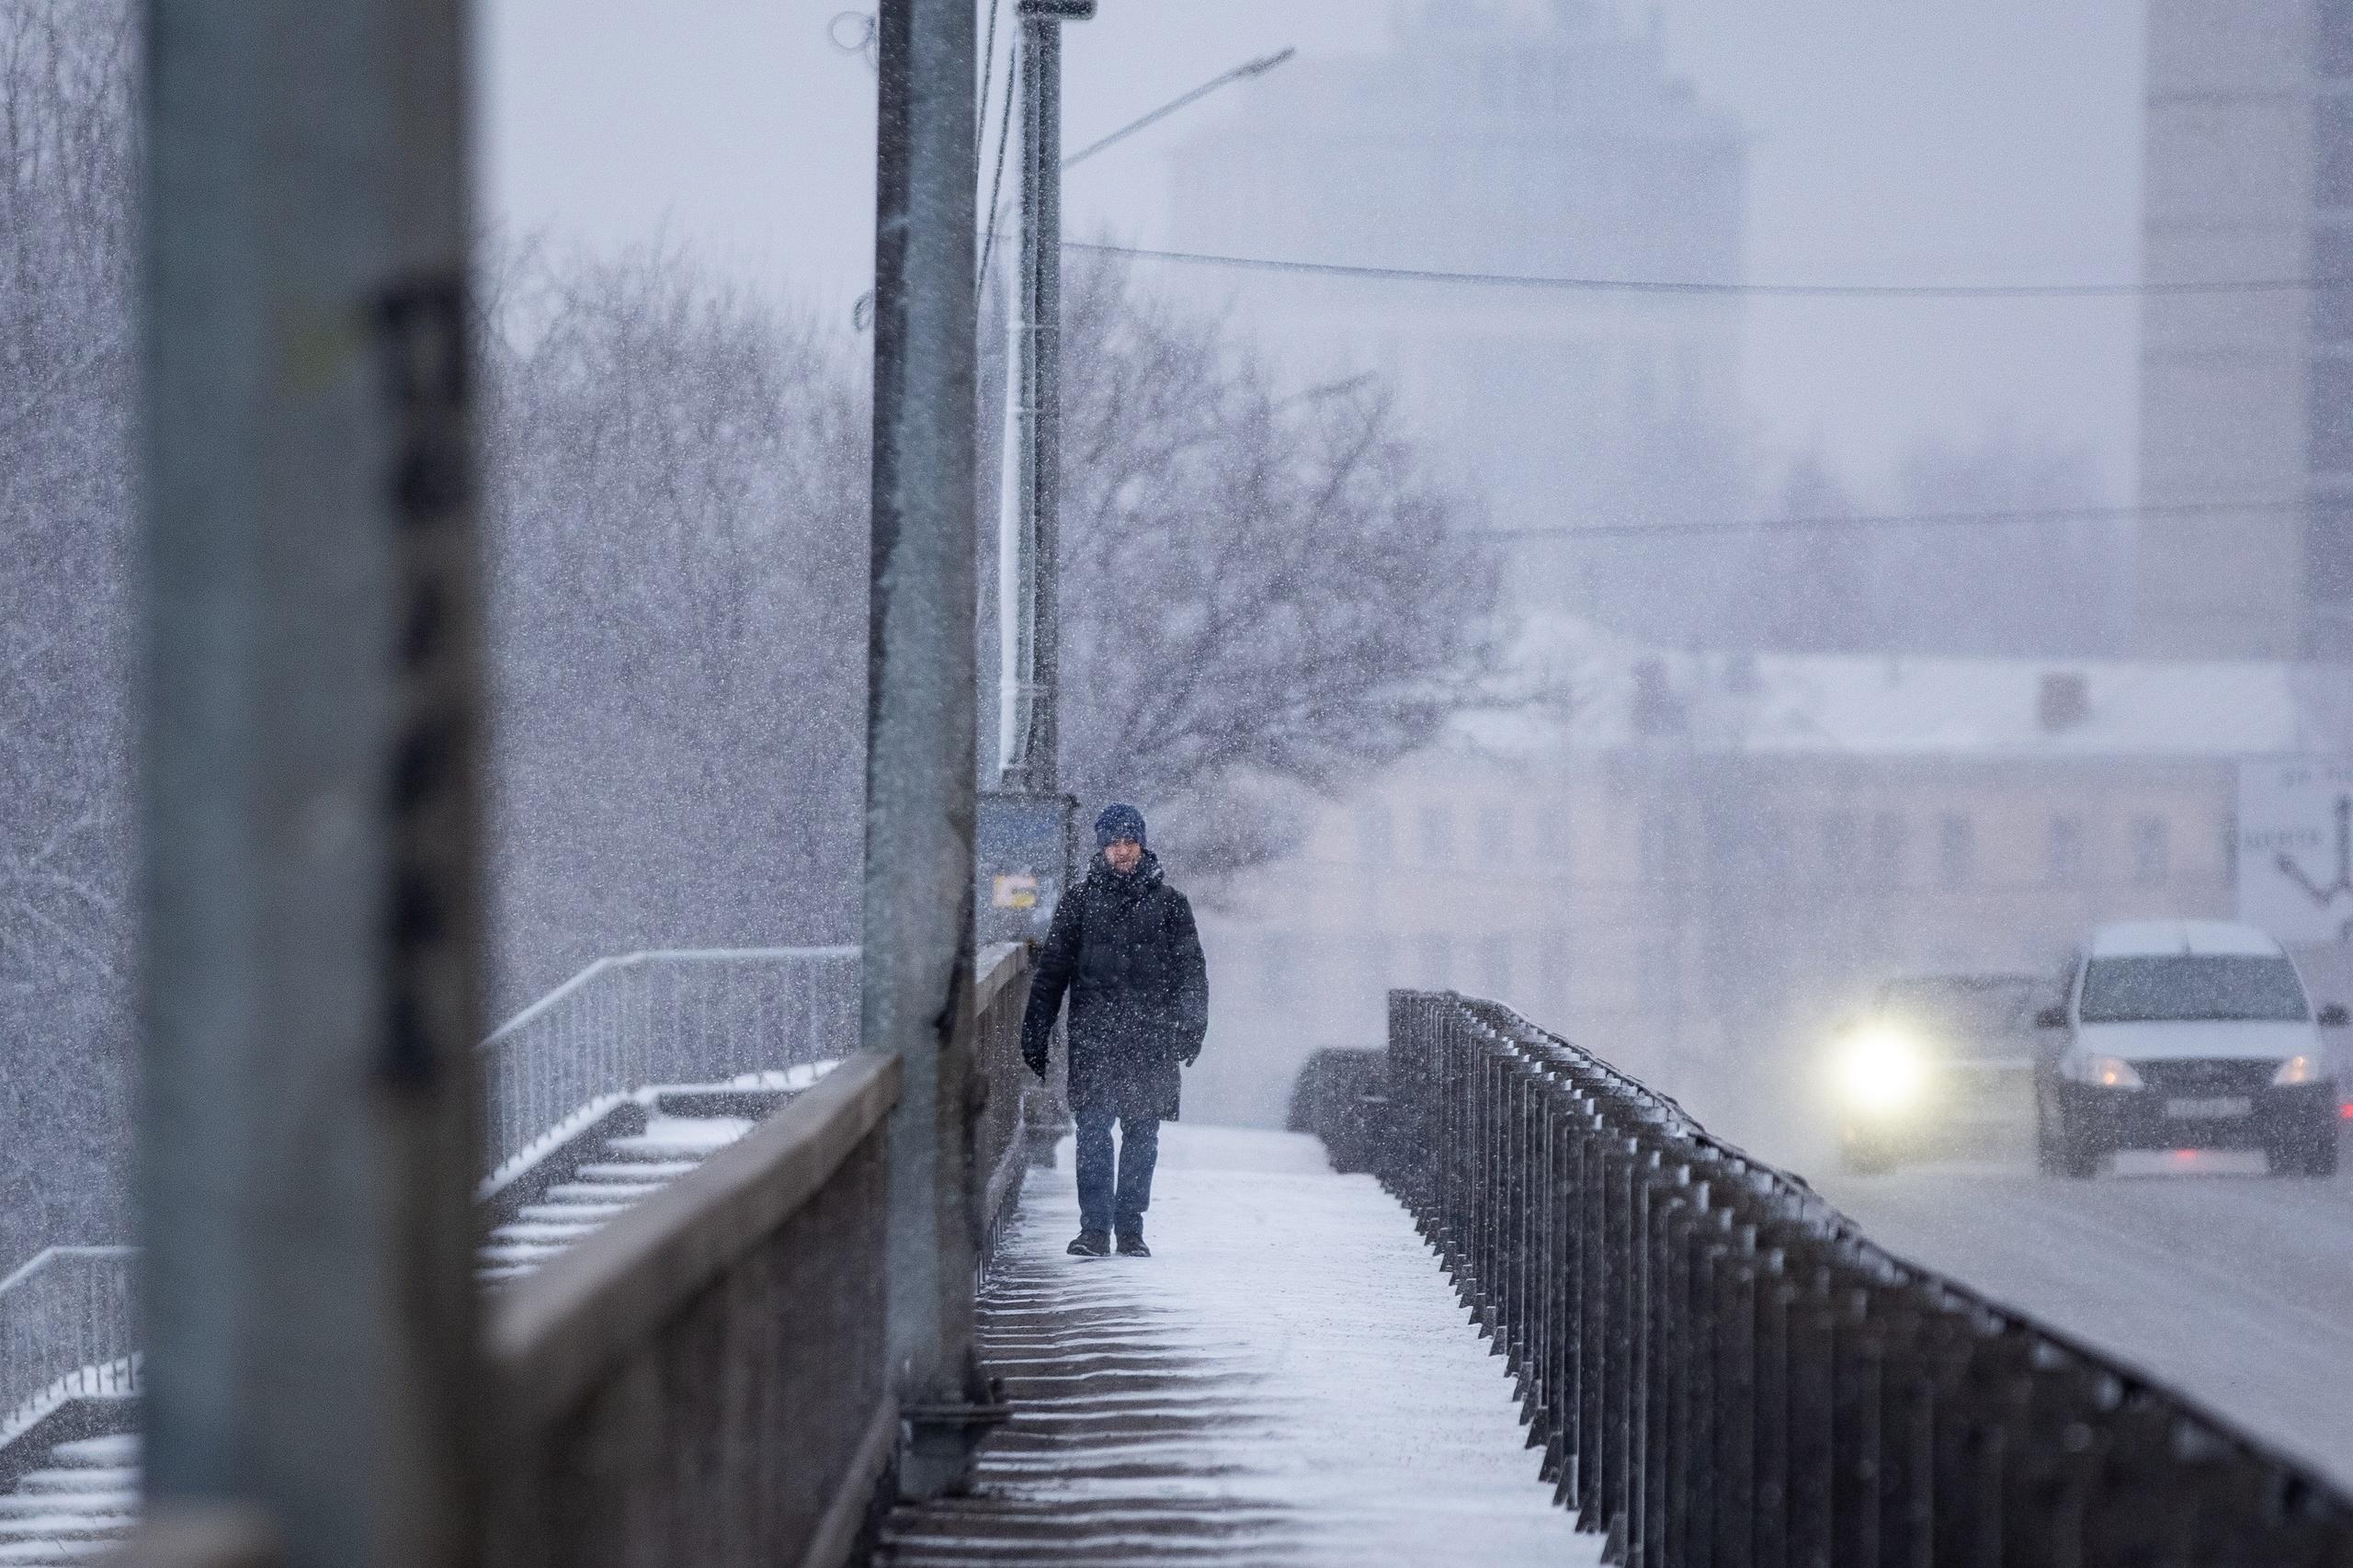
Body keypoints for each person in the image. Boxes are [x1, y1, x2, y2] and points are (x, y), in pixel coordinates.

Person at [1021, 802, 1209, 1258]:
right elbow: (1052, 973)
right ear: (1102, 848)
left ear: (1142, 844)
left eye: (1129, 842)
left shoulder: (1171, 906)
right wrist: (1036, 1028)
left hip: (1151, 1039)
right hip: (1096, 1037)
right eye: (1114, 843)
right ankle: (1094, 1228)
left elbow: (1191, 973)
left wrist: (1192, 1026)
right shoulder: (1080, 903)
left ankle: (1130, 1228)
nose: (1122, 851)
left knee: (1142, 1134)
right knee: (1093, 1130)